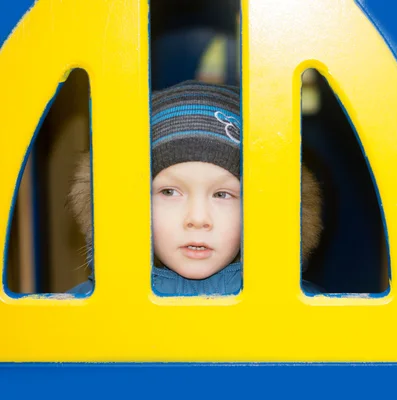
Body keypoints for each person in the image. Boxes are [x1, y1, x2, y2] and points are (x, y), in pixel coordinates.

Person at [67, 80, 324, 295]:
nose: (198, 219)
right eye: (169, 192)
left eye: (223, 194)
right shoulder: (81, 315)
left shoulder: (305, 312)